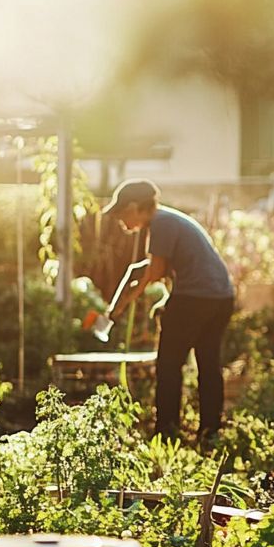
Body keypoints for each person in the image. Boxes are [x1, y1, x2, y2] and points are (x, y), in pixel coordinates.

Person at [103, 178, 236, 440]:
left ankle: (166, 432)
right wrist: (164, 301)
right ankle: (210, 432)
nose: (120, 220)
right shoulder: (170, 220)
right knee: (208, 363)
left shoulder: (161, 223)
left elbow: (157, 270)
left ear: (135, 207)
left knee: (168, 365)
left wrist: (128, 301)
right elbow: (169, 269)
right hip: (221, 297)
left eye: (121, 213)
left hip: (196, 298)